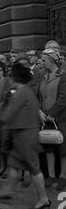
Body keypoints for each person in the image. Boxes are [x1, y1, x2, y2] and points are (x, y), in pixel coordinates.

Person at [0, 63, 50, 209]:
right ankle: (6, 192)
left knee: (34, 168)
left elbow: (7, 116)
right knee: (14, 164)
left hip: (25, 135)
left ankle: (44, 199)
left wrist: (1, 110)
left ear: (14, 78)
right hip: (23, 134)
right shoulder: (26, 91)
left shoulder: (20, 93)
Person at [39, 48, 66, 191]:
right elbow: (39, 97)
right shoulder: (43, 76)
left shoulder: (63, 75)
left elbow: (63, 98)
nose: (42, 64)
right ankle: (51, 176)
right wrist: (40, 112)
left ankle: (63, 177)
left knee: (63, 149)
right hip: (45, 118)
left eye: (44, 61)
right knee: (48, 147)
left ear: (52, 60)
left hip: (61, 118)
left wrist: (52, 113)